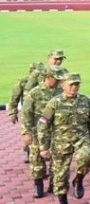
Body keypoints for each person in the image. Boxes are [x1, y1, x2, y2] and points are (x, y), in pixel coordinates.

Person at [37, 71, 90, 204]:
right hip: (61, 143)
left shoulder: (84, 101)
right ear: (64, 85)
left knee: (86, 158)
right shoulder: (55, 103)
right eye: (71, 84)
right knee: (60, 175)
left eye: (77, 84)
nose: (74, 87)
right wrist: (43, 146)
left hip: (81, 139)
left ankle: (79, 180)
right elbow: (43, 124)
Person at [22, 66, 65, 197]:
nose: (58, 82)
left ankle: (54, 183)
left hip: (56, 131)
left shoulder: (61, 92)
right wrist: (26, 132)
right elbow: (26, 114)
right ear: (49, 77)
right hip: (37, 131)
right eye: (56, 79)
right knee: (36, 159)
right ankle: (38, 185)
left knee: (57, 158)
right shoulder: (34, 92)